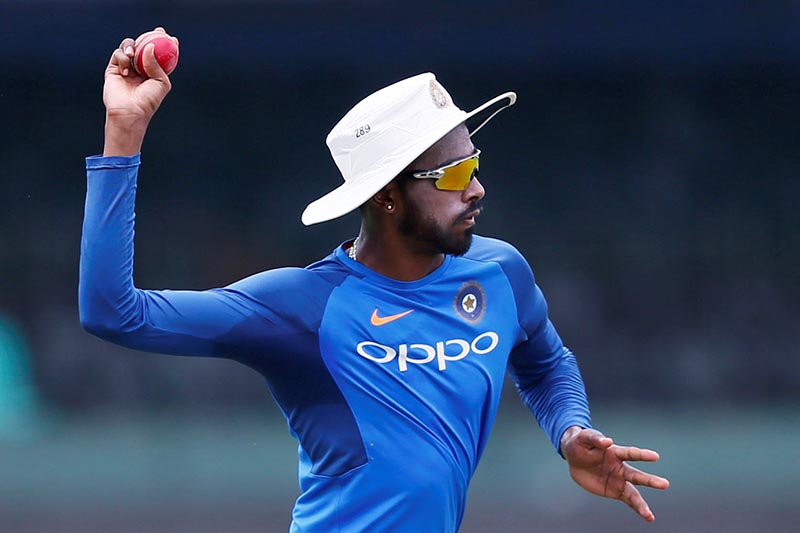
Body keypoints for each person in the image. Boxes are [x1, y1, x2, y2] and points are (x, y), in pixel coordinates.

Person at [80, 28, 669, 532]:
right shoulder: (301, 307)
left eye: (476, 163)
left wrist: (569, 430)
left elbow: (545, 362)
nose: (476, 188)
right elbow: (114, 312)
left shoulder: (500, 273)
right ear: (387, 196)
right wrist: (122, 134)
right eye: (454, 172)